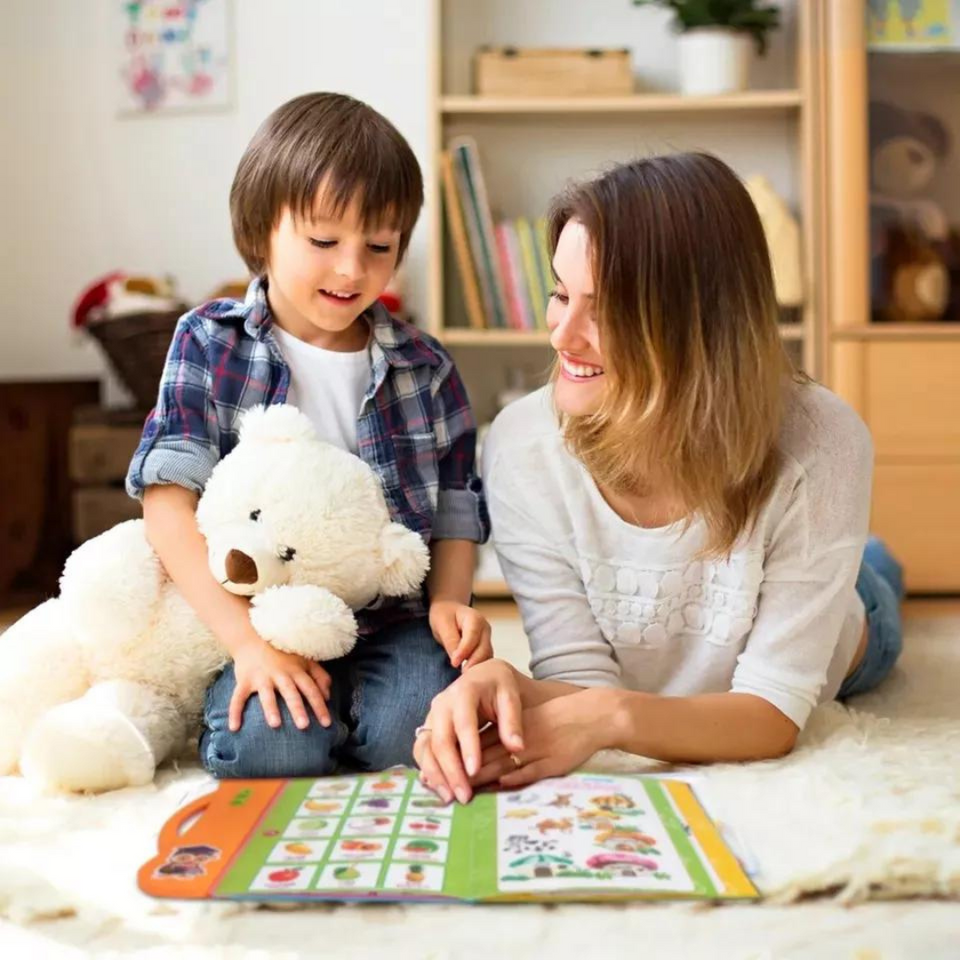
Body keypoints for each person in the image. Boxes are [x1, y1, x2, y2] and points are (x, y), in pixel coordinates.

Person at [413, 153, 904, 803]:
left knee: (871, 580)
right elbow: (581, 679)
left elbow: (772, 713)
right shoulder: (521, 447)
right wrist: (508, 685)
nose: (562, 334)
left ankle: (871, 566)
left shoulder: (824, 443)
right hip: (689, 644)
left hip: (848, 631)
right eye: (561, 293)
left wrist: (615, 718)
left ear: (700, 326)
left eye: (605, 309)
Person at [125, 92, 492, 779]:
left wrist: (449, 603)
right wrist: (246, 647)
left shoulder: (426, 366)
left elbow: (455, 510)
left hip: (394, 621)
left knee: (411, 738)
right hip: (266, 615)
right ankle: (298, 714)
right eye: (324, 242)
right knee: (275, 747)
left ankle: (351, 714)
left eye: (379, 246)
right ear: (262, 230)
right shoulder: (210, 342)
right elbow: (165, 502)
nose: (352, 269)